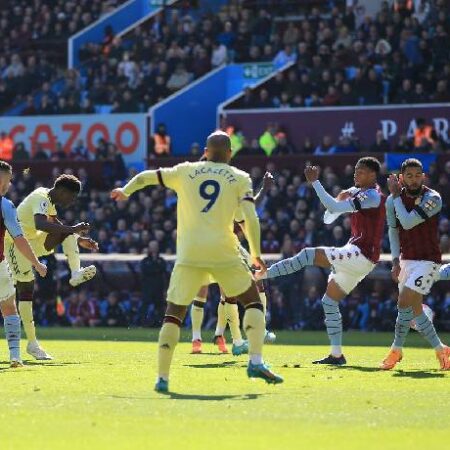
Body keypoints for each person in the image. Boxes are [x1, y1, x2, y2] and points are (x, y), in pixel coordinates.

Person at [111, 131, 283, 392]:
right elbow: (250, 218)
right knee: (252, 301)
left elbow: (146, 177)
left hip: (189, 254)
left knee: (173, 315)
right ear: (230, 153)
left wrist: (125, 191)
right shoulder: (240, 177)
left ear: (205, 151)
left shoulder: (185, 171)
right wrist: (256, 252)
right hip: (224, 251)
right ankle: (255, 361)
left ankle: (162, 378)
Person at [256, 157, 386, 365]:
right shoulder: (358, 193)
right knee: (329, 302)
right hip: (357, 258)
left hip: (360, 254)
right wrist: (342, 199)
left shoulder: (373, 197)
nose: (355, 174)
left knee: (308, 254)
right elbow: (328, 216)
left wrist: (316, 183)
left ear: (372, 175)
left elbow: (332, 205)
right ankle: (336, 355)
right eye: (355, 170)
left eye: (360, 171)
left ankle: (263, 274)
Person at [5, 175, 98, 360]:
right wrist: (73, 229)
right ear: (62, 191)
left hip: (32, 241)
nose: (72, 202)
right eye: (71, 197)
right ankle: (32, 344)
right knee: (26, 288)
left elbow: (59, 227)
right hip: (14, 243)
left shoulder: (50, 203)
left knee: (67, 232)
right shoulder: (41, 198)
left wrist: (78, 238)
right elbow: (40, 224)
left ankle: (75, 273)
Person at [190, 172, 277, 356]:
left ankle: (239, 333)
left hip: (228, 247)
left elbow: (247, 211)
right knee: (213, 293)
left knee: (254, 280)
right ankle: (211, 339)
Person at [381, 158, 449, 370]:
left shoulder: (433, 198)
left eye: (417, 175)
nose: (413, 180)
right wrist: (394, 261)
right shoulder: (393, 201)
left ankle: (396, 350)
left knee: (403, 302)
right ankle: (441, 350)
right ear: (401, 178)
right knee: (415, 310)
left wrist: (394, 195)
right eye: (408, 176)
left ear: (423, 177)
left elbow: (409, 222)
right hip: (406, 260)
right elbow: (393, 231)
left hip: (428, 260)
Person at [0, 161, 47, 367]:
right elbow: (19, 239)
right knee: (9, 308)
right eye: (9, 180)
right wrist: (36, 263)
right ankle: (15, 356)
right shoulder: (5, 206)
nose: (10, 184)